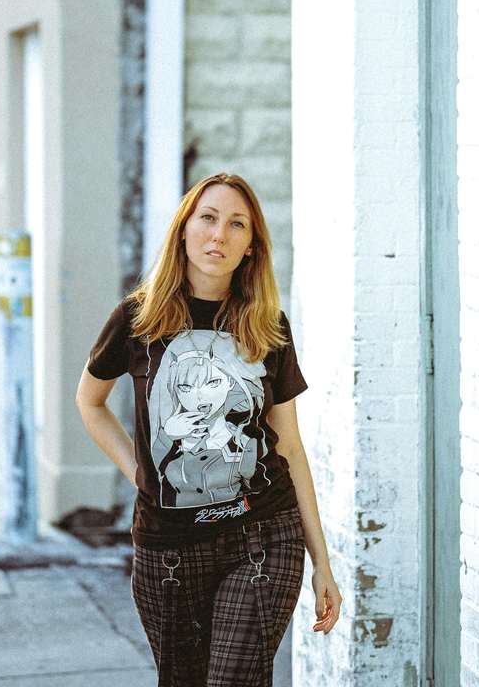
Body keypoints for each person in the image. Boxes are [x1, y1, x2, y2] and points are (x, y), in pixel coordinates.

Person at [75, 172, 342, 687]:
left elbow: (289, 445)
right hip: (168, 550)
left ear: (251, 247)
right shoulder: (138, 319)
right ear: (184, 229)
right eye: (208, 218)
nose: (219, 234)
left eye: (237, 224)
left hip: (263, 535)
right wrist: (140, 472)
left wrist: (322, 562)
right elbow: (90, 402)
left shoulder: (268, 326)